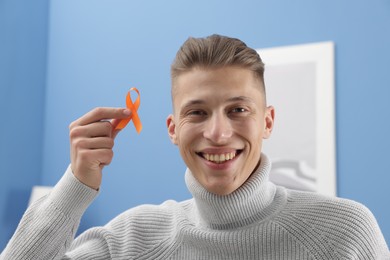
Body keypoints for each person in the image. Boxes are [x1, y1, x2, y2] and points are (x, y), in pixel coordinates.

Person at [1, 34, 389, 260]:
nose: (218, 133)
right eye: (198, 113)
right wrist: (76, 185)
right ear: (173, 129)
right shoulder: (133, 239)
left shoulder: (343, 233)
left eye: (238, 109)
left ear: (267, 121)